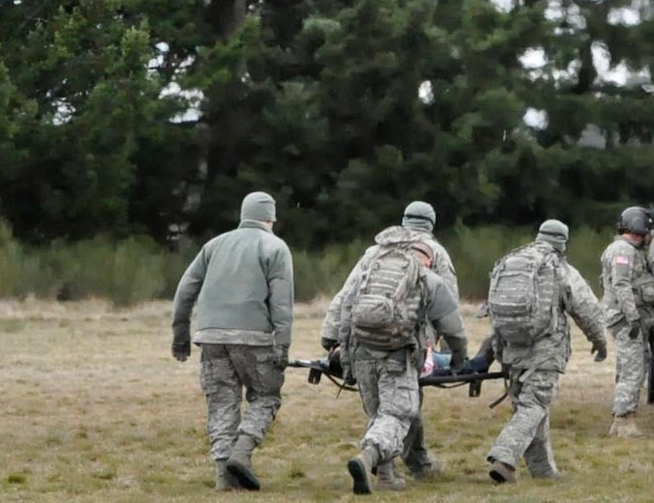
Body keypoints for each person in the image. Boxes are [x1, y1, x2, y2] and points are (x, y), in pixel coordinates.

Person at [320, 201, 456, 484]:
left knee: (388, 405)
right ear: (431, 224)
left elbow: (347, 295)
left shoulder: (376, 251)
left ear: (403, 220)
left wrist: (330, 338)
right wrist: (447, 348)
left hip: (364, 341)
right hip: (408, 344)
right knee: (402, 405)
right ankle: (406, 463)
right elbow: (448, 303)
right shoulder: (435, 252)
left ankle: (398, 468)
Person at [170, 191, 297, 491]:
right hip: (254, 338)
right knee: (266, 396)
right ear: (271, 218)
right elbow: (282, 305)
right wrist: (283, 345)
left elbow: (185, 291)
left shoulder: (214, 245)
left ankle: (223, 477)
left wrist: (180, 335)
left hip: (211, 337)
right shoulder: (275, 247)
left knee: (221, 402)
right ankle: (241, 453)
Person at [482, 219, 609, 483]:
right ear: (562, 242)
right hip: (545, 350)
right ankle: (505, 457)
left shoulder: (511, 262)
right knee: (534, 405)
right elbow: (587, 310)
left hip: (511, 349)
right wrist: (600, 342)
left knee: (531, 406)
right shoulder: (559, 268)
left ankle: (543, 470)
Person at [599, 206, 654, 437]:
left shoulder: (628, 251)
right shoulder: (622, 251)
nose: (650, 236)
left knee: (628, 367)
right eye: (649, 231)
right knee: (633, 370)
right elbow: (621, 285)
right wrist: (633, 318)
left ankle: (619, 422)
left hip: (630, 321)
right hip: (628, 322)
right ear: (640, 228)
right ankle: (625, 420)